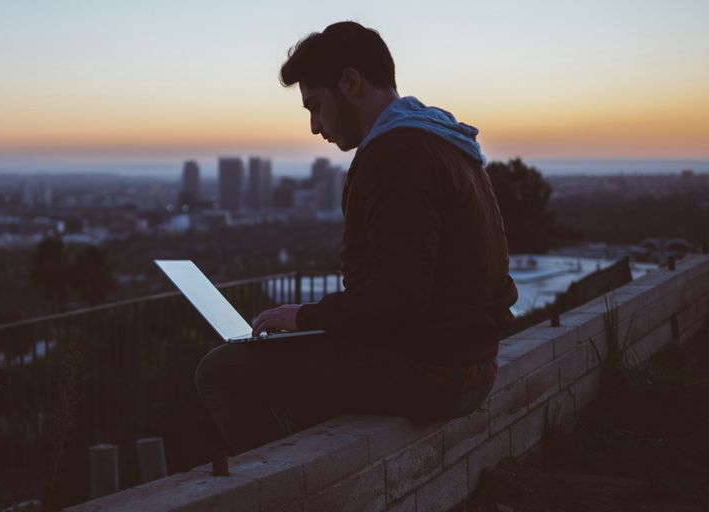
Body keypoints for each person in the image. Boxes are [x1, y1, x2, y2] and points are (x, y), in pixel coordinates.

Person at [194, 21, 518, 455]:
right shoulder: (444, 141)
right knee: (295, 365)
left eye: (315, 106)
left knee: (222, 371)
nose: (314, 126)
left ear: (350, 83)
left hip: (437, 375)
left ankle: (289, 492)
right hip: (472, 365)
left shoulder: (396, 153)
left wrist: (304, 318)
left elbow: (398, 298)